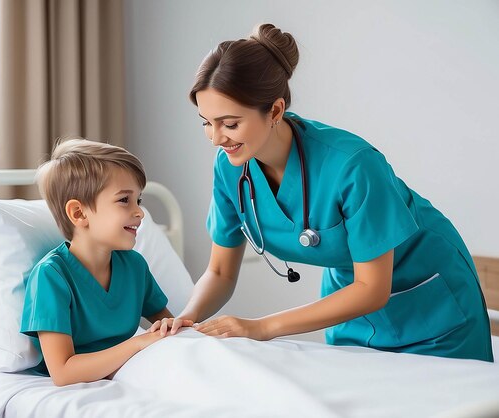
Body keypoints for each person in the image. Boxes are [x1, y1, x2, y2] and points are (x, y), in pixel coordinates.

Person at [151, 23, 493, 362]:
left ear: (274, 110)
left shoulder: (353, 166)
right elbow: (221, 272)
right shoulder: (230, 168)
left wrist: (261, 327)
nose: (215, 138)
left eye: (229, 123)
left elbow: (372, 288)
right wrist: (188, 318)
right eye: (206, 123)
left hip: (430, 303)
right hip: (351, 305)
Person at [20, 139, 190, 386]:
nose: (140, 212)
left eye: (138, 200)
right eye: (124, 200)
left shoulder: (134, 266)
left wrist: (171, 327)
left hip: (138, 368)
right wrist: (138, 343)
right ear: (79, 213)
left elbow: (167, 325)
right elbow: (63, 372)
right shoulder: (51, 277)